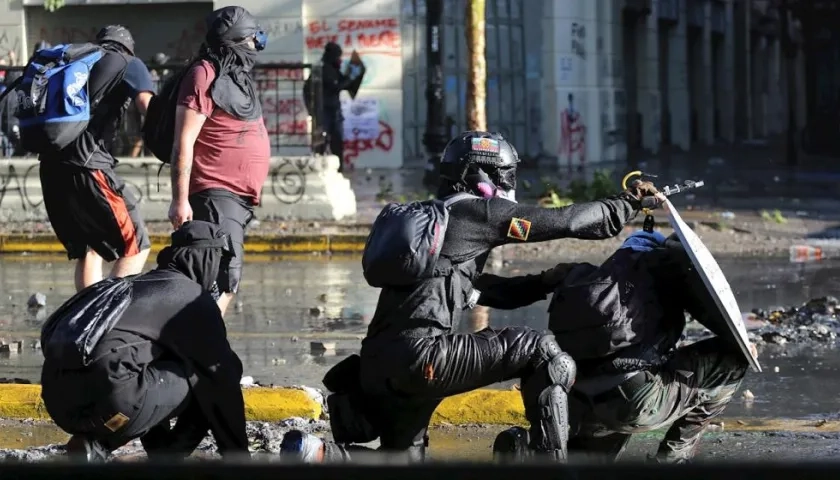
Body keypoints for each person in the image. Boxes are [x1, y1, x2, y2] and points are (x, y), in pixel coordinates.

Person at [279, 131, 662, 463]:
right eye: (505, 175)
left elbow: (492, 292)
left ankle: (315, 453)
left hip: (379, 364)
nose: (510, 184)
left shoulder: (438, 226)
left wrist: (548, 280)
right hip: (422, 357)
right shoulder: (475, 212)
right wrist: (625, 204)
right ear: (483, 173)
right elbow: (564, 221)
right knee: (543, 350)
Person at [493, 230, 752, 464]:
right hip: (630, 402)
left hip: (571, 400)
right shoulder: (666, 281)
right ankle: (674, 459)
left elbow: (523, 288)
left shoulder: (583, 276)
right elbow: (717, 319)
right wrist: (743, 346)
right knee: (735, 360)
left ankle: (527, 449)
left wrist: (468, 289)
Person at [40, 220, 249, 462]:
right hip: (110, 403)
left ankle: (93, 445)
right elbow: (222, 382)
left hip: (58, 402)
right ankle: (165, 456)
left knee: (155, 362)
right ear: (207, 260)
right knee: (214, 370)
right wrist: (239, 457)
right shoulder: (192, 298)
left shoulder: (138, 284)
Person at [36, 26, 155, 292]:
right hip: (88, 165)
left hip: (51, 167)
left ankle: (85, 324)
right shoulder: (129, 62)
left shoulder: (79, 63)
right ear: (128, 47)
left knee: (89, 249)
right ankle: (105, 321)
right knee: (136, 244)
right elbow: (148, 106)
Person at [170, 6, 270, 316]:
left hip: (237, 198)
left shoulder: (235, 76)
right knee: (225, 278)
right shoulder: (204, 74)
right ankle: (200, 352)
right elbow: (182, 143)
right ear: (239, 41)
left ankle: (194, 350)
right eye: (256, 39)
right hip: (215, 192)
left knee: (216, 280)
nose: (257, 46)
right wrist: (179, 200)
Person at [310, 42, 360, 173]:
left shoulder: (333, 69)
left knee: (336, 142)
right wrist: (350, 78)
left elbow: (343, 83)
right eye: (338, 56)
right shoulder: (324, 69)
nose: (340, 59)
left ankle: (338, 169)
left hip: (334, 111)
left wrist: (351, 77)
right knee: (323, 141)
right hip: (325, 111)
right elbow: (336, 87)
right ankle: (321, 168)